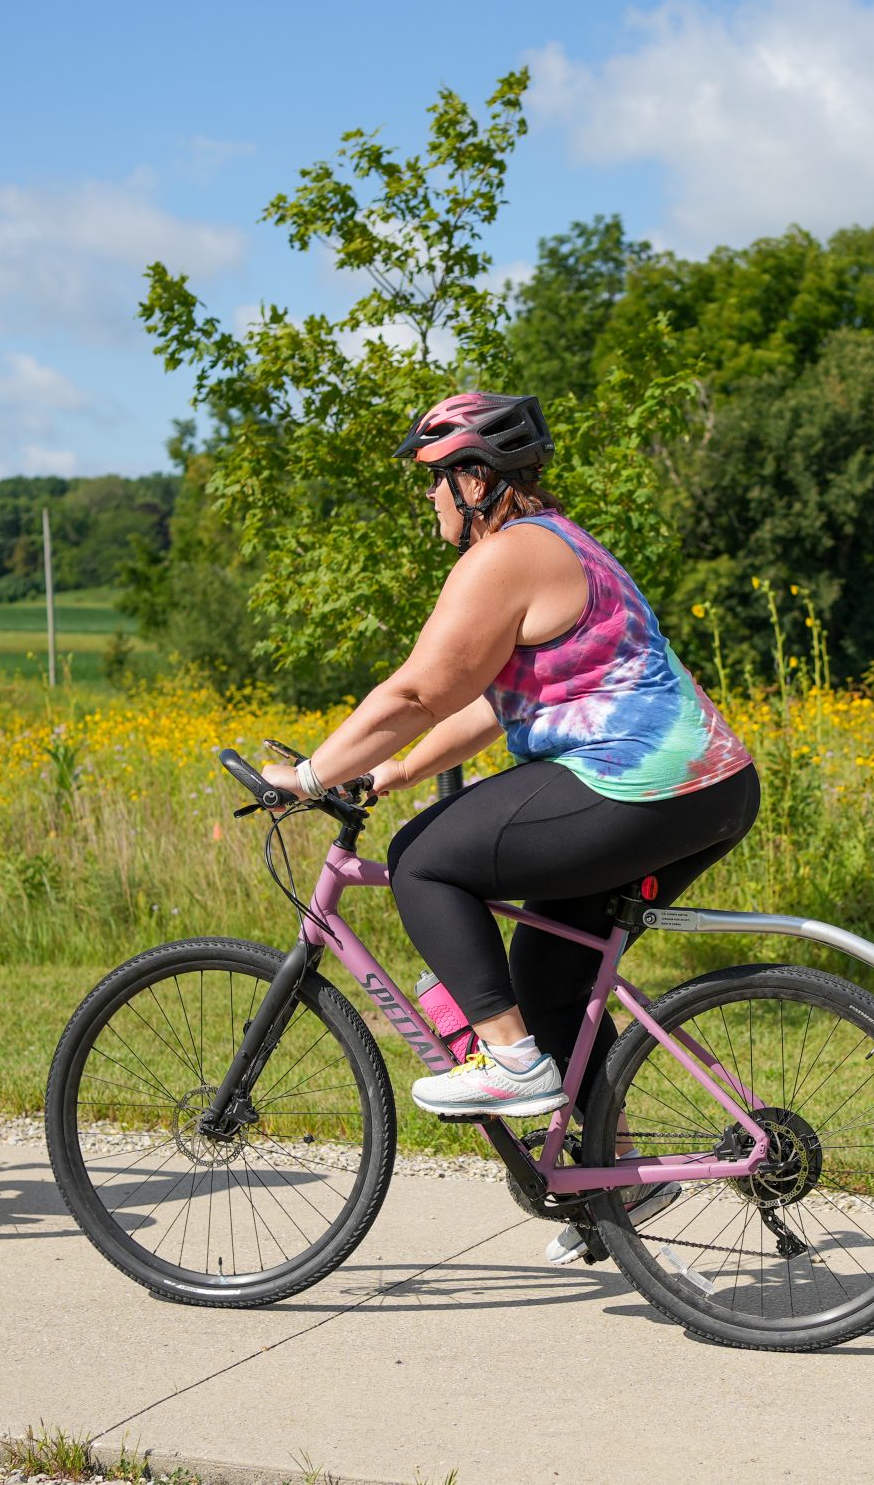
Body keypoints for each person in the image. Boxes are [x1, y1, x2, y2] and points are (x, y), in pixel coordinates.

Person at [260, 391, 760, 1251]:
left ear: (474, 478)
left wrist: (308, 774)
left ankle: (509, 1062)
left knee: (426, 856)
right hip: (708, 790)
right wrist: (387, 771)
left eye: (433, 480)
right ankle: (620, 1179)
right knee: (548, 972)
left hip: (635, 782)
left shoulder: (505, 558)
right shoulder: (564, 544)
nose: (428, 499)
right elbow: (496, 704)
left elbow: (420, 690)